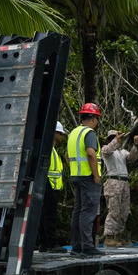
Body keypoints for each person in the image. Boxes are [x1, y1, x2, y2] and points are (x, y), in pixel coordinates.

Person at [68, 103, 103, 256]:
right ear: (94, 119)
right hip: (88, 178)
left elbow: (66, 156)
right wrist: (96, 175)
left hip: (76, 176)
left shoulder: (73, 133)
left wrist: (75, 170)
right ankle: (87, 247)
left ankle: (76, 247)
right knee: (88, 212)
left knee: (78, 211)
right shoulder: (89, 133)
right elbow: (90, 154)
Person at [101, 129, 138, 247]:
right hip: (113, 181)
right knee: (114, 210)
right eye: (113, 137)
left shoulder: (122, 152)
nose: (116, 138)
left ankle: (118, 236)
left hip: (124, 182)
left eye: (117, 137)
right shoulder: (106, 150)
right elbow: (108, 150)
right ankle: (108, 237)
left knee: (124, 211)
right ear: (109, 139)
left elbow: (132, 158)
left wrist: (136, 145)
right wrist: (116, 140)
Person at [37, 121, 68, 252]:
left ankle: (44, 243)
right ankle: (51, 243)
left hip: (50, 186)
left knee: (45, 215)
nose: (61, 136)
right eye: (60, 133)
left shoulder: (52, 150)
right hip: (49, 186)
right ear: (54, 133)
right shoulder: (48, 150)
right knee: (49, 216)